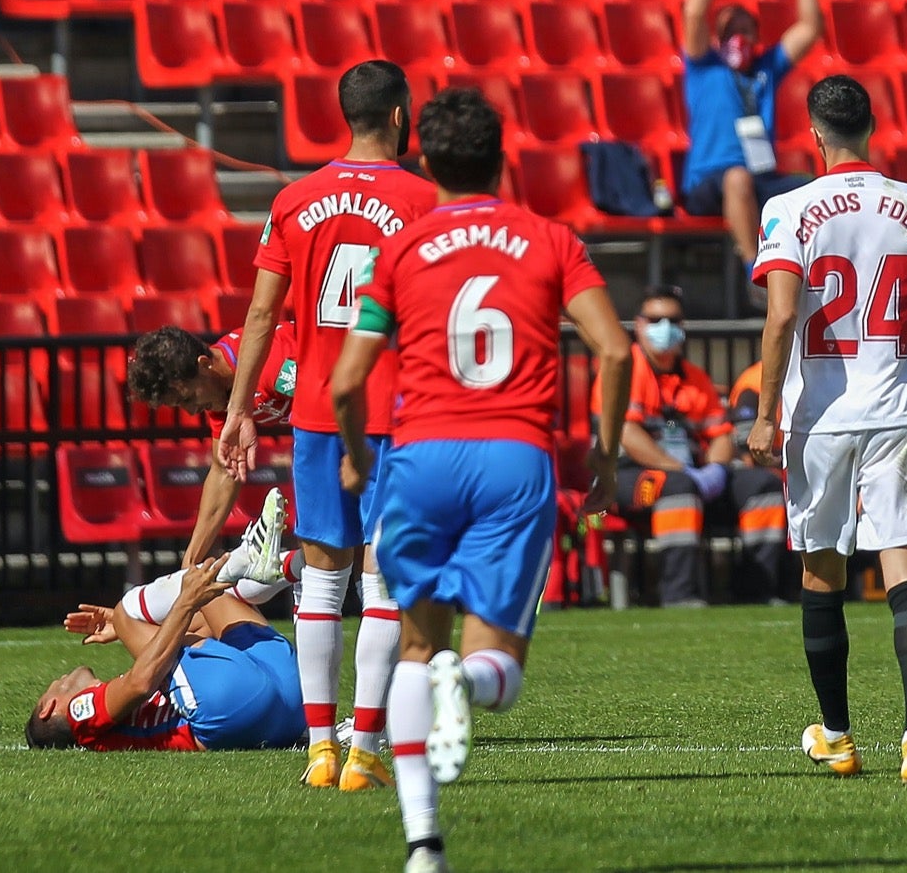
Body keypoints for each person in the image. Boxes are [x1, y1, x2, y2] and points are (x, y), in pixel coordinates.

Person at [331, 87, 632, 873]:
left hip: (421, 458)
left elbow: (345, 378)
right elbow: (615, 349)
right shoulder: (550, 240)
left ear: (425, 160)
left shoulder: (400, 249)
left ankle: (424, 845)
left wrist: (359, 454)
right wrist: (602, 459)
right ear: (502, 158)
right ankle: (464, 679)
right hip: (512, 458)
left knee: (411, 646)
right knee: (495, 670)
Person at [218, 59, 437, 791]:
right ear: (403, 117)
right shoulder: (425, 199)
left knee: (320, 581)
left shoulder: (294, 198)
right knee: (386, 584)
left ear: (344, 115)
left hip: (315, 412)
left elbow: (259, 315)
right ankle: (365, 750)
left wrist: (240, 406)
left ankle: (319, 748)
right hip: (397, 412)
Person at [748, 74, 907, 785]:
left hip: (824, 416)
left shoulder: (788, 207)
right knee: (904, 564)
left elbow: (781, 315)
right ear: (873, 125)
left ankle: (838, 736)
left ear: (814, 132)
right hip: (901, 404)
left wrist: (764, 410)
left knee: (821, 570)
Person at [26, 499, 297, 752]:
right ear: (48, 708)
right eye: (51, 687)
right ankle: (244, 561)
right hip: (225, 706)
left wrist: (138, 626)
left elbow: (201, 631)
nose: (57, 680)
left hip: (288, 709)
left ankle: (297, 565)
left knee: (211, 595)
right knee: (126, 608)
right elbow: (140, 683)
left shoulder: (125, 708)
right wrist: (132, 620)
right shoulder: (79, 716)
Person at [592, 286, 789, 606]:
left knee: (763, 486)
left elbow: (721, 435)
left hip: (694, 473)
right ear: (639, 325)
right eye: (655, 320)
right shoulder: (621, 371)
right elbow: (627, 434)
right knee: (679, 488)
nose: (664, 327)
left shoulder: (695, 378)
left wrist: (714, 469)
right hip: (626, 476)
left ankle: (758, 592)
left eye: (672, 320)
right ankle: (679, 594)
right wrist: (681, 470)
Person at [681, 0, 824, 277]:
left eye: (747, 29)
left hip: (760, 176)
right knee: (737, 179)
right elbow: (694, 13)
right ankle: (753, 272)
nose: (739, 37)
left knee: (818, 188)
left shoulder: (766, 68)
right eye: (731, 30)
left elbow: (810, 28)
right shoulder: (704, 66)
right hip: (708, 182)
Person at [127, 322, 299, 566]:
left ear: (205, 365)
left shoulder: (274, 363)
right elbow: (224, 471)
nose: (191, 410)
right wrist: (190, 563)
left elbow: (342, 401)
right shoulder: (220, 393)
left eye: (188, 398)